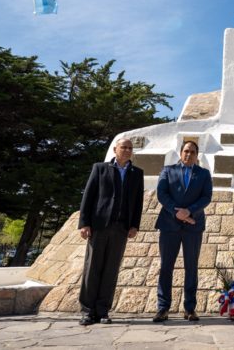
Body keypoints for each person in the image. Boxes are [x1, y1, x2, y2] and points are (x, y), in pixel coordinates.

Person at [77, 137, 144, 326]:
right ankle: (88, 311)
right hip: (99, 226)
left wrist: (134, 225)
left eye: (130, 148)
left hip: (120, 228)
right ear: (115, 149)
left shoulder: (137, 173)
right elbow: (88, 196)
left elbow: (138, 202)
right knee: (92, 268)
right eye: (124, 147)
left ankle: (103, 310)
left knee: (111, 270)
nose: (127, 150)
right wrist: (84, 223)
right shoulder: (100, 168)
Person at [153, 141, 213, 322]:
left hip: (193, 225)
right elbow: (162, 193)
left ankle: (190, 308)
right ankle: (163, 308)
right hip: (169, 224)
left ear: (197, 155)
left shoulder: (203, 174)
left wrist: (189, 211)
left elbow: (206, 196)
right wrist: (177, 212)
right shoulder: (168, 170)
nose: (189, 154)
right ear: (180, 153)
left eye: (193, 152)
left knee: (191, 267)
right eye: (186, 151)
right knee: (166, 267)